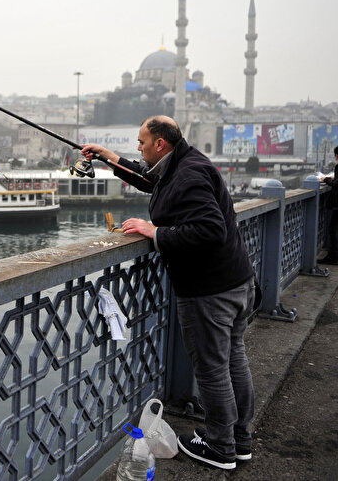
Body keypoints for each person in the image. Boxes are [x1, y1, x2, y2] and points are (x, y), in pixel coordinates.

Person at [82, 115, 255, 471]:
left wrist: (155, 231)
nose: (139, 148)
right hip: (236, 281)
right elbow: (152, 180)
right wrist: (108, 157)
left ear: (160, 143)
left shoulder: (188, 175)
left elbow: (209, 230)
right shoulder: (183, 163)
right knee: (233, 359)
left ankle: (221, 446)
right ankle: (239, 440)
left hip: (210, 291)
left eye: (142, 143)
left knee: (212, 370)